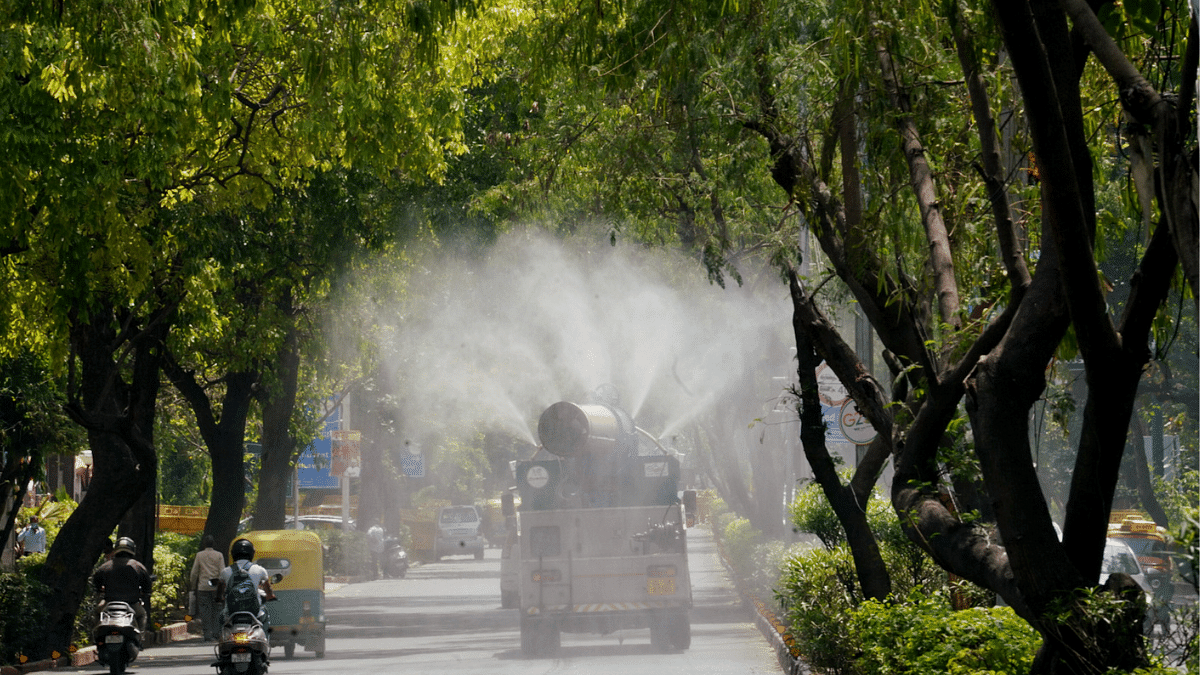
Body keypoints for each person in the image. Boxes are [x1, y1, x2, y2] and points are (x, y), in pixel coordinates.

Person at [92, 537, 151, 633]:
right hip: (132, 604)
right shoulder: (138, 566)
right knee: (142, 614)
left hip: (109, 603)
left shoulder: (106, 566)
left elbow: (96, 579)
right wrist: (145, 593)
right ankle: (140, 636)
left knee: (97, 612)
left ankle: (97, 635)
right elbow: (147, 584)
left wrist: (100, 589)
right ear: (132, 550)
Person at [215, 538, 275, 629]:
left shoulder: (225, 572)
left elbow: (219, 593)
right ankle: (265, 640)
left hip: (231, 612)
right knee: (265, 614)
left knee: (221, 617)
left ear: (233, 553)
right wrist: (271, 597)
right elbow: (268, 592)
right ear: (252, 553)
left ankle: (222, 640)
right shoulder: (260, 570)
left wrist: (219, 598)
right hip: (254, 612)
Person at [189, 534, 226, 641]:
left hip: (203, 587)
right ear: (213, 544)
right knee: (217, 610)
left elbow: (194, 572)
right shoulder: (219, 555)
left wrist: (192, 585)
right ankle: (216, 632)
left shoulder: (199, 555)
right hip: (216, 587)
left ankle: (207, 634)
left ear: (204, 544)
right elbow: (222, 571)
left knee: (205, 611)